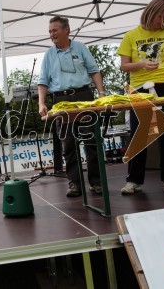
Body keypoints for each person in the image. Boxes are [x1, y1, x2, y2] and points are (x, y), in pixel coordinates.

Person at [117, 0, 164, 195]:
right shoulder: (131, 35)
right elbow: (124, 65)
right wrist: (142, 64)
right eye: (160, 16)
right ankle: (134, 181)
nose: (162, 21)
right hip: (140, 86)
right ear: (150, 12)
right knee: (140, 134)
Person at [38, 16, 105, 197]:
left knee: (92, 141)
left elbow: (94, 71)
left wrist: (101, 95)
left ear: (66, 30)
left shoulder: (81, 48)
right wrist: (41, 103)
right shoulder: (49, 54)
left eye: (55, 30)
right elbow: (43, 81)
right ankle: (74, 183)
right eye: (50, 31)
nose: (51, 34)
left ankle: (96, 182)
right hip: (60, 101)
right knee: (68, 144)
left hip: (84, 97)